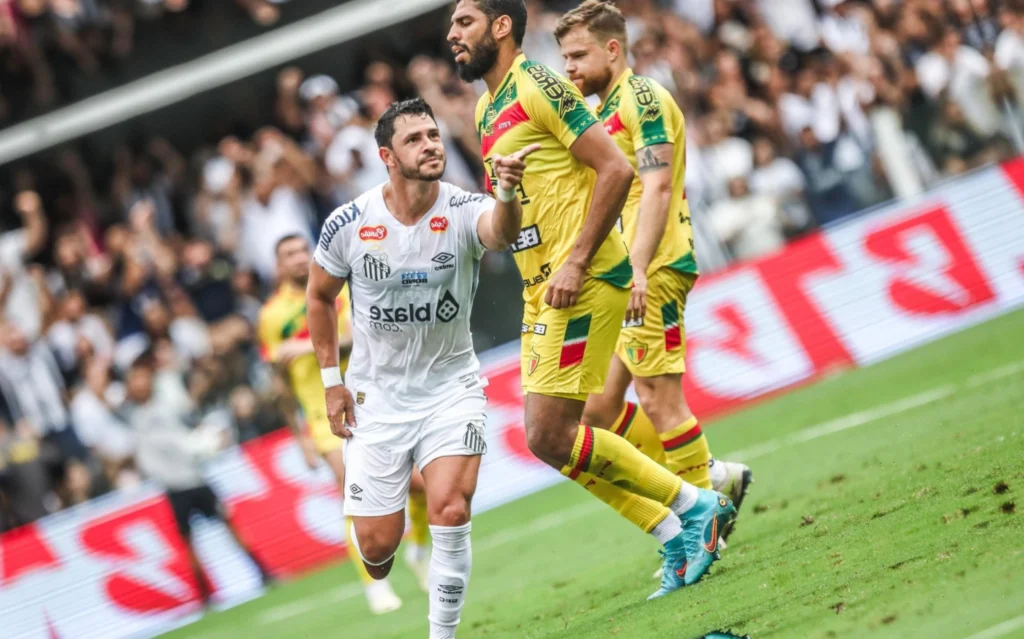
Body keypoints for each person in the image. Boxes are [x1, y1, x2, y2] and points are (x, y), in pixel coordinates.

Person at [447, 0, 734, 600]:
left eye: (464, 22)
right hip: (539, 287)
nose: (452, 34)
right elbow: (511, 215)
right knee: (559, 434)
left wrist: (579, 259)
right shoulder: (485, 108)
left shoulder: (540, 84)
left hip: (583, 278)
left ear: (501, 27)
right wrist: (501, 196)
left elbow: (617, 171)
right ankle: (676, 527)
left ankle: (697, 504)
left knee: (563, 429)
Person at [306, 97, 530, 639]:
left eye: (433, 135)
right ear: (387, 155)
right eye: (415, 139)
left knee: (450, 509)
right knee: (377, 551)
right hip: (375, 401)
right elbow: (318, 297)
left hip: (451, 387)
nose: (430, 145)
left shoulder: (460, 207)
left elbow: (499, 232)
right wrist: (331, 384)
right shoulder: (351, 223)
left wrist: (506, 191)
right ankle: (390, 561)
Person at [555, 0, 753, 537]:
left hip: (654, 267)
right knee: (595, 411)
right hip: (627, 274)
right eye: (564, 58)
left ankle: (704, 520)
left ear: (613, 49)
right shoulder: (602, 110)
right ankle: (711, 476)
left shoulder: (642, 98)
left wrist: (637, 269)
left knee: (659, 399)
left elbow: (659, 185)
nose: (569, 68)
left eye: (578, 56)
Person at [258, 233, 430, 615]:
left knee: (419, 487)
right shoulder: (271, 317)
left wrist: (307, 346)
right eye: (289, 254)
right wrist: (297, 436)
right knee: (356, 497)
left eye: (303, 250)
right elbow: (280, 383)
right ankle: (375, 586)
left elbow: (357, 337)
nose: (300, 258)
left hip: (371, 404)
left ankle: (419, 551)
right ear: (278, 266)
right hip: (322, 418)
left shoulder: (339, 289)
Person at [122, 352, 274, 606]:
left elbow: (188, 433)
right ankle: (204, 593)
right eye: (135, 380)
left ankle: (261, 570)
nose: (140, 384)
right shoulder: (134, 420)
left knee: (229, 523)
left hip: (195, 478)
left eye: (143, 378)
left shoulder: (166, 406)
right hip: (174, 486)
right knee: (189, 541)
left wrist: (206, 443)